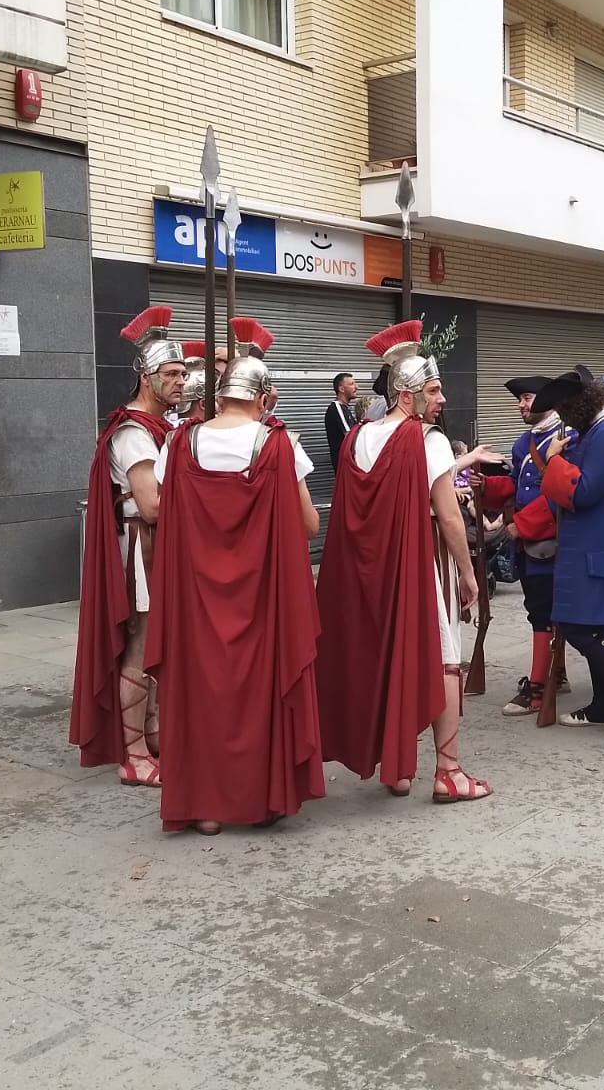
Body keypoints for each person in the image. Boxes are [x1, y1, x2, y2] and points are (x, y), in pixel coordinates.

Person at [146, 317, 326, 834]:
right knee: (257, 695)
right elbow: (310, 523)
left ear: (220, 395)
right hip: (261, 597)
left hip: (198, 597)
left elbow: (161, 507)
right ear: (263, 397)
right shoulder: (278, 445)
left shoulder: (179, 444)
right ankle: (259, 798)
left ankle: (205, 808)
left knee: (202, 693)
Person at [315, 320, 491, 803]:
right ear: (406, 395)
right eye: (433, 391)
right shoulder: (427, 440)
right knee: (443, 659)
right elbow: (450, 517)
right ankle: (449, 771)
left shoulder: (357, 438)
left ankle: (397, 768)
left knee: (391, 657)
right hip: (421, 563)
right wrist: (470, 575)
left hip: (371, 570)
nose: (442, 400)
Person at [71, 306, 186, 787]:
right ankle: (134, 753)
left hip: (156, 545)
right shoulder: (136, 433)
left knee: (156, 644)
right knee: (138, 647)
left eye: (182, 373)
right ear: (146, 377)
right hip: (142, 547)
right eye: (171, 373)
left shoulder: (163, 426)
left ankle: (153, 733)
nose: (181, 381)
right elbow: (153, 506)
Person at [534, 368, 604, 746]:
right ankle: (602, 705)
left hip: (601, 547)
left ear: (581, 404)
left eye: (565, 411)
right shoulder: (600, 430)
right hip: (592, 545)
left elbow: (583, 492)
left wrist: (552, 461)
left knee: (584, 629)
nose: (564, 420)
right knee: (594, 629)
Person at [500, 375, 575, 718]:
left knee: (545, 614)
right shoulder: (523, 443)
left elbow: (558, 496)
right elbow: (517, 486)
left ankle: (538, 686)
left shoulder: (567, 437)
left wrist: (521, 525)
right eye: (520, 399)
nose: (521, 405)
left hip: (554, 541)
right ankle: (552, 674)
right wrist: (484, 484)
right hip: (531, 542)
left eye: (528, 398)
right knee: (539, 611)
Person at [324, 372, 357, 470]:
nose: (357, 387)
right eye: (351, 384)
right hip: (345, 464)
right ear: (341, 389)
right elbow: (349, 435)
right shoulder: (337, 408)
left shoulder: (345, 408)